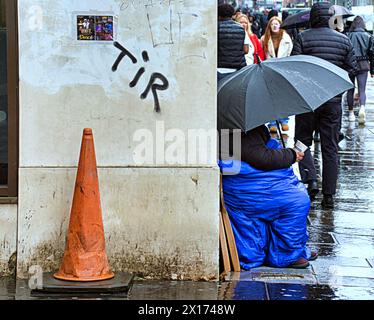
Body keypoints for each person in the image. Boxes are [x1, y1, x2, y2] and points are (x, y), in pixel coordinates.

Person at [219, 125, 317, 269]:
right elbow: (262, 158)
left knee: (291, 196)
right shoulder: (237, 130)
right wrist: (291, 155)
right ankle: (287, 255)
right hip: (246, 189)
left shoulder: (240, 127)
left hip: (249, 185)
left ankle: (284, 250)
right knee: (297, 202)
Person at [291, 2, 358, 209]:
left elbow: (294, 65)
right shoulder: (343, 40)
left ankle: (310, 179)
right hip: (332, 100)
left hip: (308, 99)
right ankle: (329, 195)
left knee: (302, 142)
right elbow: (352, 69)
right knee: (330, 147)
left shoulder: (302, 38)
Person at [261, 16, 293, 133]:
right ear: (269, 25)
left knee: (283, 97)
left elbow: (289, 54)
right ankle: (272, 122)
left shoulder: (286, 38)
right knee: (271, 97)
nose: (275, 26)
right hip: (269, 70)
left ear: (280, 25)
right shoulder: (264, 38)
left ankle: (284, 120)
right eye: (272, 24)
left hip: (283, 70)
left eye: (277, 24)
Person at [346, 16, 374, 124]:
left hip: (350, 65)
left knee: (350, 89)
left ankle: (351, 113)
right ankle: (362, 108)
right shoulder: (369, 36)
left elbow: (345, 51)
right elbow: (372, 54)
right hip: (363, 65)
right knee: (362, 90)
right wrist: (372, 71)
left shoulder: (348, 35)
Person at [217, 3, 247, 82]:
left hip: (218, 68)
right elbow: (246, 49)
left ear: (218, 15)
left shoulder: (215, 28)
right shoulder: (241, 28)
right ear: (232, 15)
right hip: (237, 69)